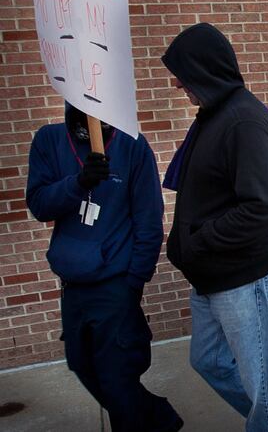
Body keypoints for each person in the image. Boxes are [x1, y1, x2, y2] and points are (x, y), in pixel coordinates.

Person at [161, 23, 268, 431]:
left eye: (182, 73)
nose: (176, 84)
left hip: (245, 278)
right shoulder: (213, 116)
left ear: (205, 70)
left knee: (263, 382)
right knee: (208, 360)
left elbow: (263, 209)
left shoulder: (243, 121)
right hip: (213, 275)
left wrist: (199, 240)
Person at [26, 104, 183, 432]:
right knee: (82, 365)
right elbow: (39, 205)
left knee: (118, 379)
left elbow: (148, 222)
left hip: (115, 284)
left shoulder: (132, 145)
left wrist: (133, 284)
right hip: (72, 284)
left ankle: (147, 421)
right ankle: (160, 418)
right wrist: (78, 182)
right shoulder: (49, 140)